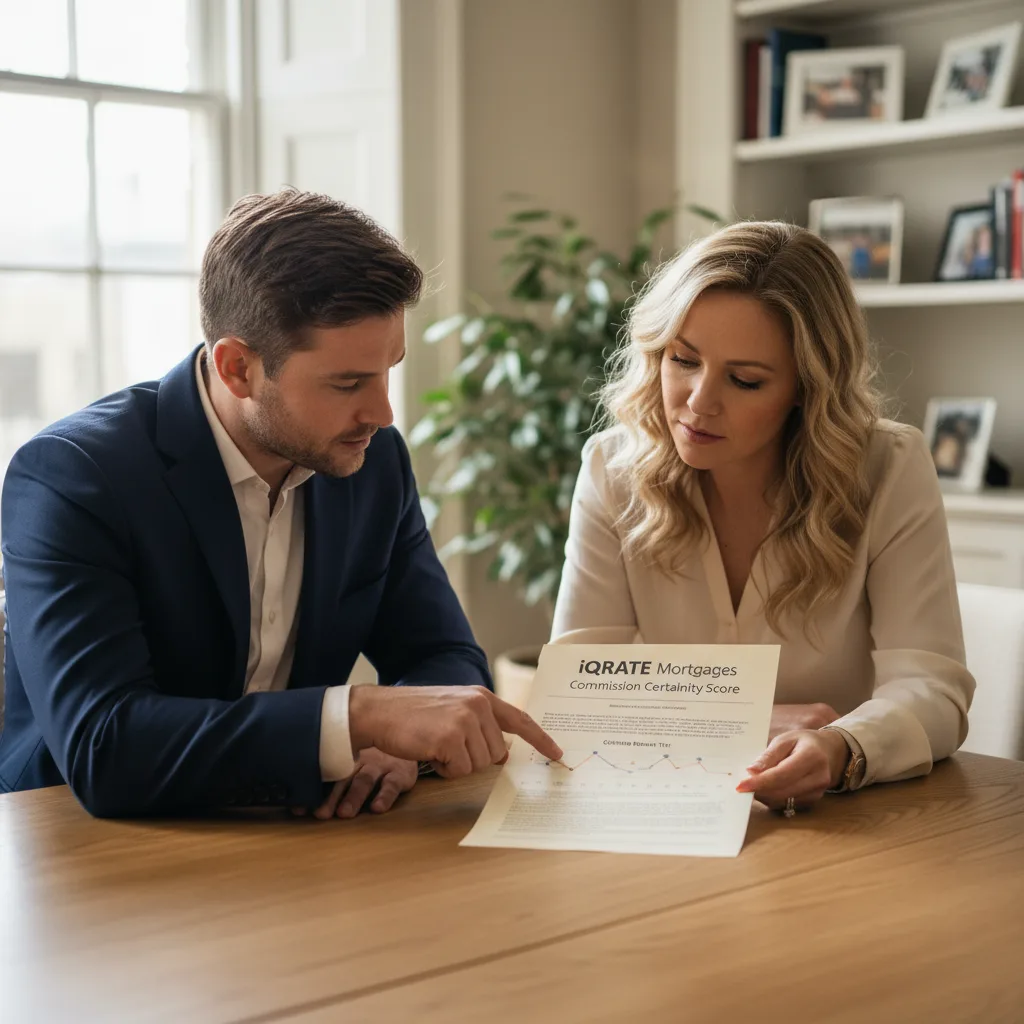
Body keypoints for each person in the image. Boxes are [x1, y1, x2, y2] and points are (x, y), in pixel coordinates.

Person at [0, 189, 561, 818]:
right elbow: (107, 747)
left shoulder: (373, 460)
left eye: (388, 370)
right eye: (347, 383)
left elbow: (445, 657)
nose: (383, 413)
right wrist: (355, 718)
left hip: (293, 835)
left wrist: (400, 747)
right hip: (73, 843)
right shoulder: (75, 477)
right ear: (238, 367)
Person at [551, 220, 974, 812]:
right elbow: (577, 692)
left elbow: (934, 688)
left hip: (849, 823)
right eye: (684, 360)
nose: (698, 403)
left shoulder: (888, 469)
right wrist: (746, 719)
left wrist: (841, 747)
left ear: (807, 388)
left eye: (745, 380)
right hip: (668, 810)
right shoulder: (612, 468)